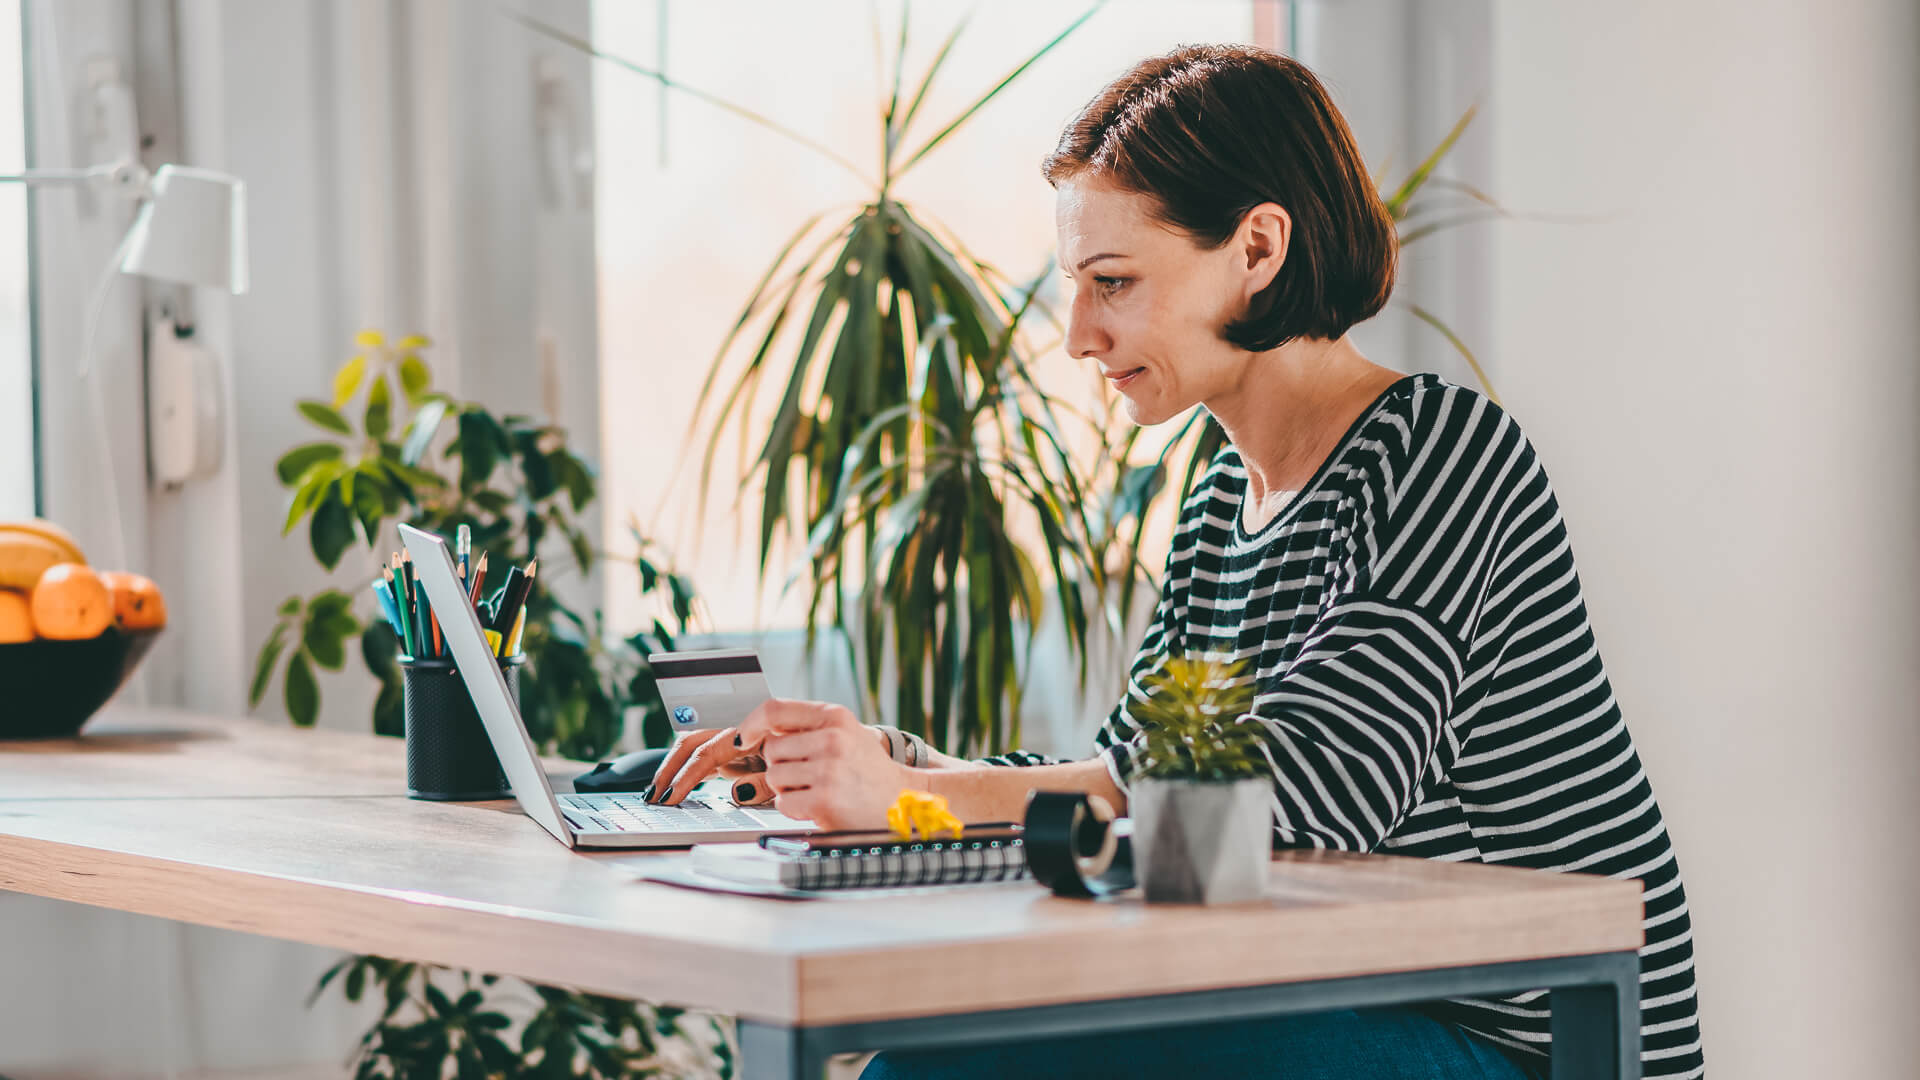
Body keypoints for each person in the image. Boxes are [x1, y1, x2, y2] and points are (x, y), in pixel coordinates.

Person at [649, 44, 1704, 1080]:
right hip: (1363, 998)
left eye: (1112, 282)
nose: (1077, 334)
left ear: (1257, 249)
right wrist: (895, 766)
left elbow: (1306, 793)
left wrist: (908, 798)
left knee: (946, 1072)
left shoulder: (1438, 454)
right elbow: (1132, 776)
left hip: (1535, 1040)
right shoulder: (1218, 497)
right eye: (1076, 285)